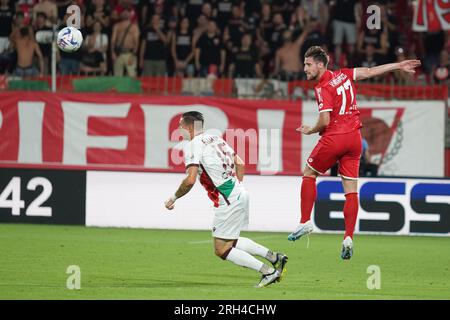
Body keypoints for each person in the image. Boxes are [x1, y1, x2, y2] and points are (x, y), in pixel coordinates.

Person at [287, 46, 421, 259]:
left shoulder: (322, 87)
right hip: (355, 139)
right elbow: (369, 72)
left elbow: (325, 121)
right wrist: (398, 65)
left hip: (336, 137)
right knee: (351, 191)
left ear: (320, 65)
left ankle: (304, 222)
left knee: (309, 173)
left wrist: (311, 130)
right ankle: (348, 237)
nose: (305, 69)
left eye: (308, 64)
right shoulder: (344, 74)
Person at [164, 111, 288, 288]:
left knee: (221, 249)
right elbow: (241, 163)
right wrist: (236, 188)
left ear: (189, 127)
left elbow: (190, 180)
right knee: (231, 240)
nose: (179, 129)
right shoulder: (216, 139)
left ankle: (268, 272)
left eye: (180, 125)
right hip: (239, 192)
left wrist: (173, 197)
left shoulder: (193, 145)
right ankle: (275, 257)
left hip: (228, 197)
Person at [111, 8, 139, 77]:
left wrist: (133, 55)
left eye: (127, 12)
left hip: (129, 53)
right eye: (123, 12)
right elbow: (113, 40)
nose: (125, 14)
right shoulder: (117, 26)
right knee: (117, 76)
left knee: (131, 76)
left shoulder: (134, 26)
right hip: (118, 53)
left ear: (130, 14)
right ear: (121, 14)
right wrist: (112, 52)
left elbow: (136, 42)